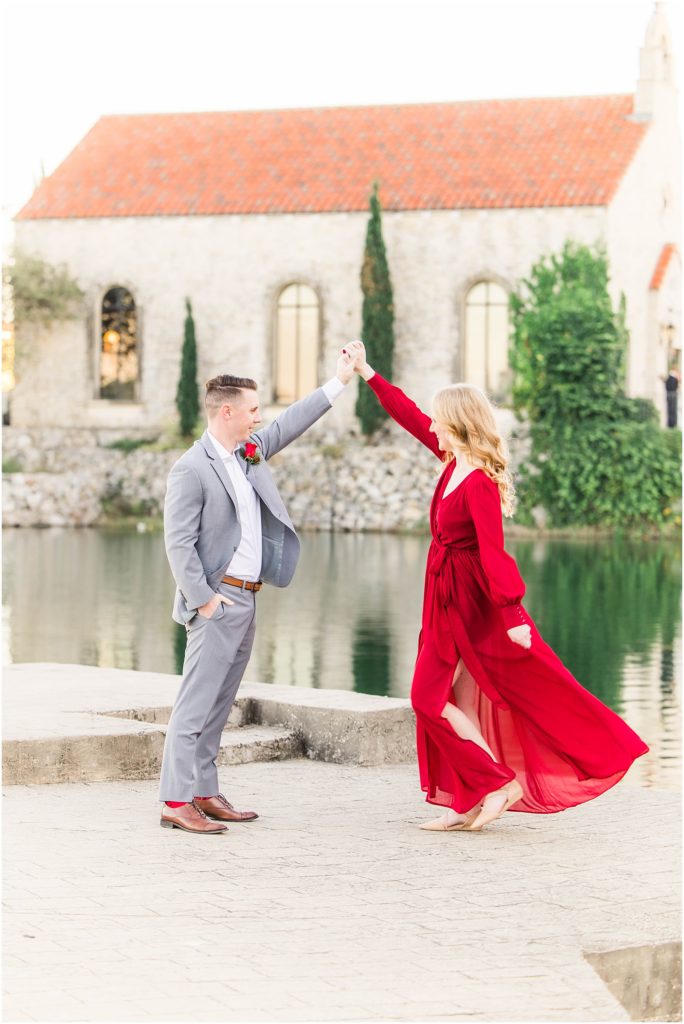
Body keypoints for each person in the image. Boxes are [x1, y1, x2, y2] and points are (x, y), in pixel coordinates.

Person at [344, 340, 648, 832]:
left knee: (427, 699)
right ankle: (470, 799)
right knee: (455, 700)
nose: (433, 425)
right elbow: (408, 414)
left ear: (460, 424)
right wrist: (367, 372)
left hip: (470, 603)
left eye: (441, 420)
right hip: (443, 596)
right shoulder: (449, 460)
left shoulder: (480, 481)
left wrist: (512, 616)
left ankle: (498, 783)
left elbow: (493, 552)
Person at [159, 352, 356, 833]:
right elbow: (177, 542)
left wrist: (339, 380)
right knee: (194, 704)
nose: (259, 417)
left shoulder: (249, 453)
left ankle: (204, 792)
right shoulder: (192, 468)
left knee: (220, 703)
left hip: (248, 598)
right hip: (217, 601)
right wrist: (204, 599)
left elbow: (292, 422)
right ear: (226, 412)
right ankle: (174, 800)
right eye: (252, 409)